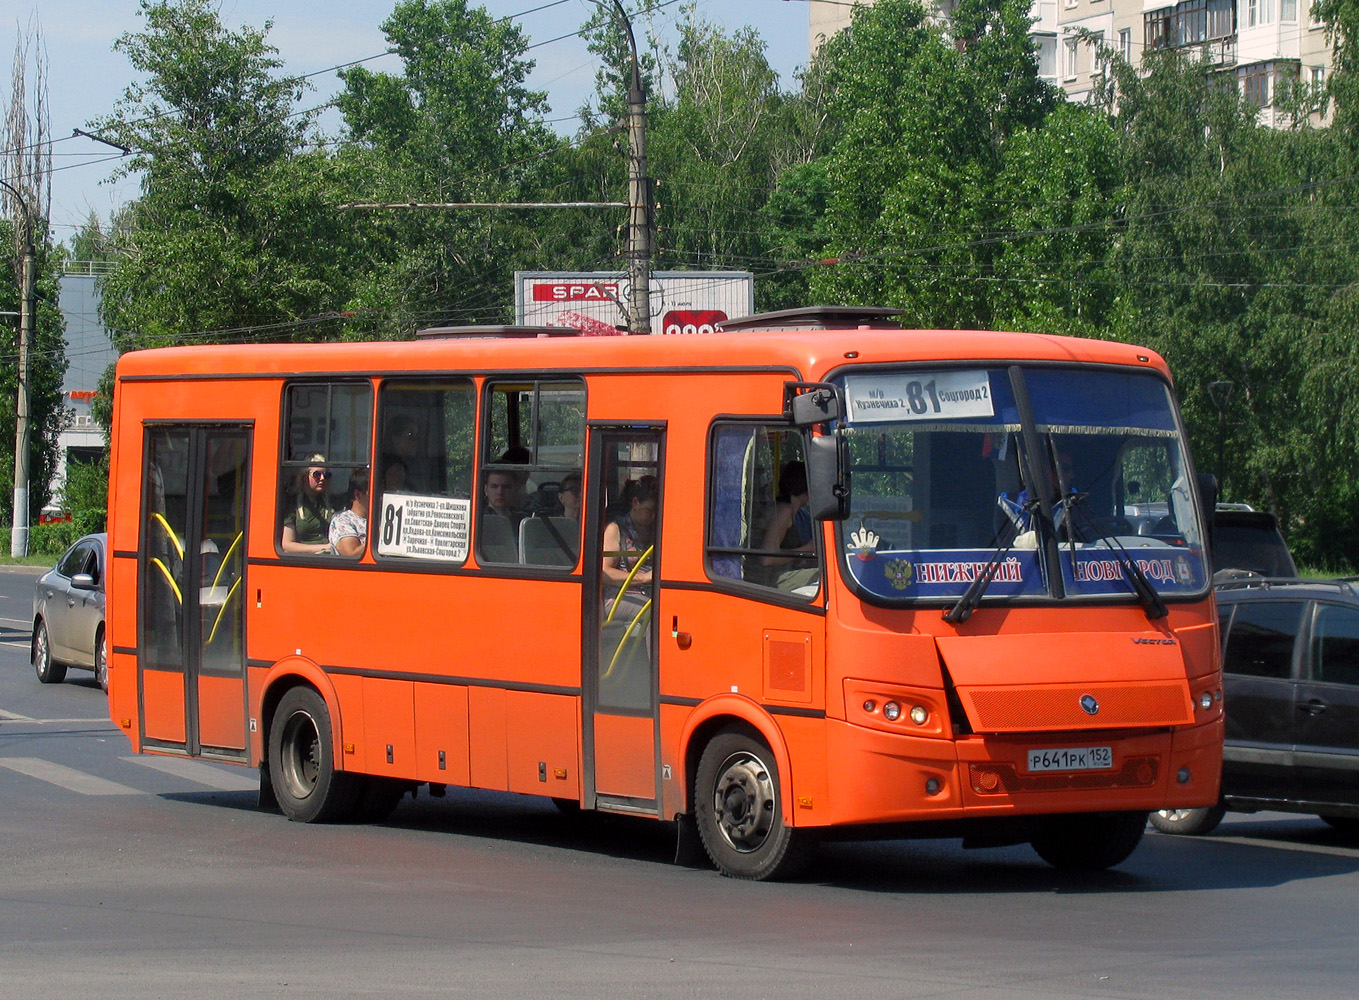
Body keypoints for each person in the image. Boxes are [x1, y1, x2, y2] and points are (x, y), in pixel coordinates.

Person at [602, 476, 657, 618]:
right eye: (650, 510)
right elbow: (604, 573)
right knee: (656, 614)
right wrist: (644, 578)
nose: (654, 516)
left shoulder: (658, 531)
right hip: (620, 596)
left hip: (655, 593)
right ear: (635, 503)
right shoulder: (615, 530)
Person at [759, 461, 819, 591]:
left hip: (785, 572)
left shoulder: (797, 513)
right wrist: (806, 549)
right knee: (824, 576)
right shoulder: (783, 512)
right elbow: (767, 559)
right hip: (772, 579)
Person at [281, 455, 335, 554]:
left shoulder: (333, 502)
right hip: (304, 560)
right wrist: (324, 547)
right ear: (304, 477)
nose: (322, 478)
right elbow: (287, 546)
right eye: (317, 474)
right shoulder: (293, 504)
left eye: (326, 474)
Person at [329, 468, 370, 557]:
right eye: (374, 493)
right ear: (358, 495)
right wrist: (380, 536)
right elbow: (351, 553)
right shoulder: (343, 520)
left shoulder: (381, 518)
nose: (381, 498)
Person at [382, 415, 422, 492]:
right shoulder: (395, 470)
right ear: (395, 439)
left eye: (417, 436)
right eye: (410, 435)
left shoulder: (411, 465)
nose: (415, 441)